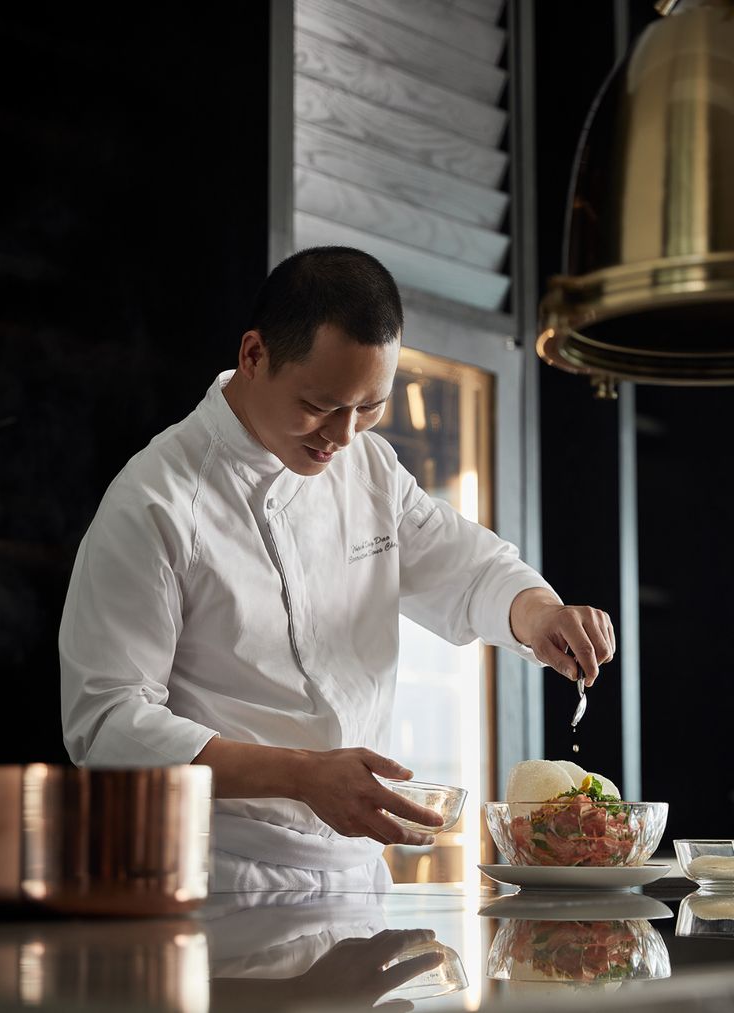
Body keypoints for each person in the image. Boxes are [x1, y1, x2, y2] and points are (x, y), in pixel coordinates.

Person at [59, 246, 615, 892]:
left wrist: (540, 614)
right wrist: (301, 774)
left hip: (356, 877)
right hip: (209, 876)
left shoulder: (369, 468)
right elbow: (107, 727)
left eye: (370, 407)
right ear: (254, 355)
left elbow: (466, 567)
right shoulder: (155, 501)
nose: (344, 436)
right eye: (320, 405)